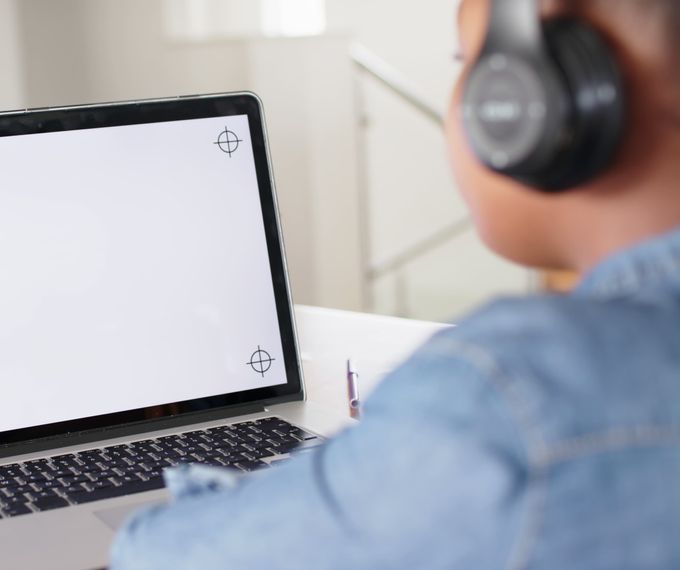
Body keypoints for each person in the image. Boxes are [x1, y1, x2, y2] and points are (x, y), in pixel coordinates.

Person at [109, 0, 680, 567]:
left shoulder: (512, 394)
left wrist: (362, 466)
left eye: (467, 64)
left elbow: (158, 556)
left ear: (525, 102)